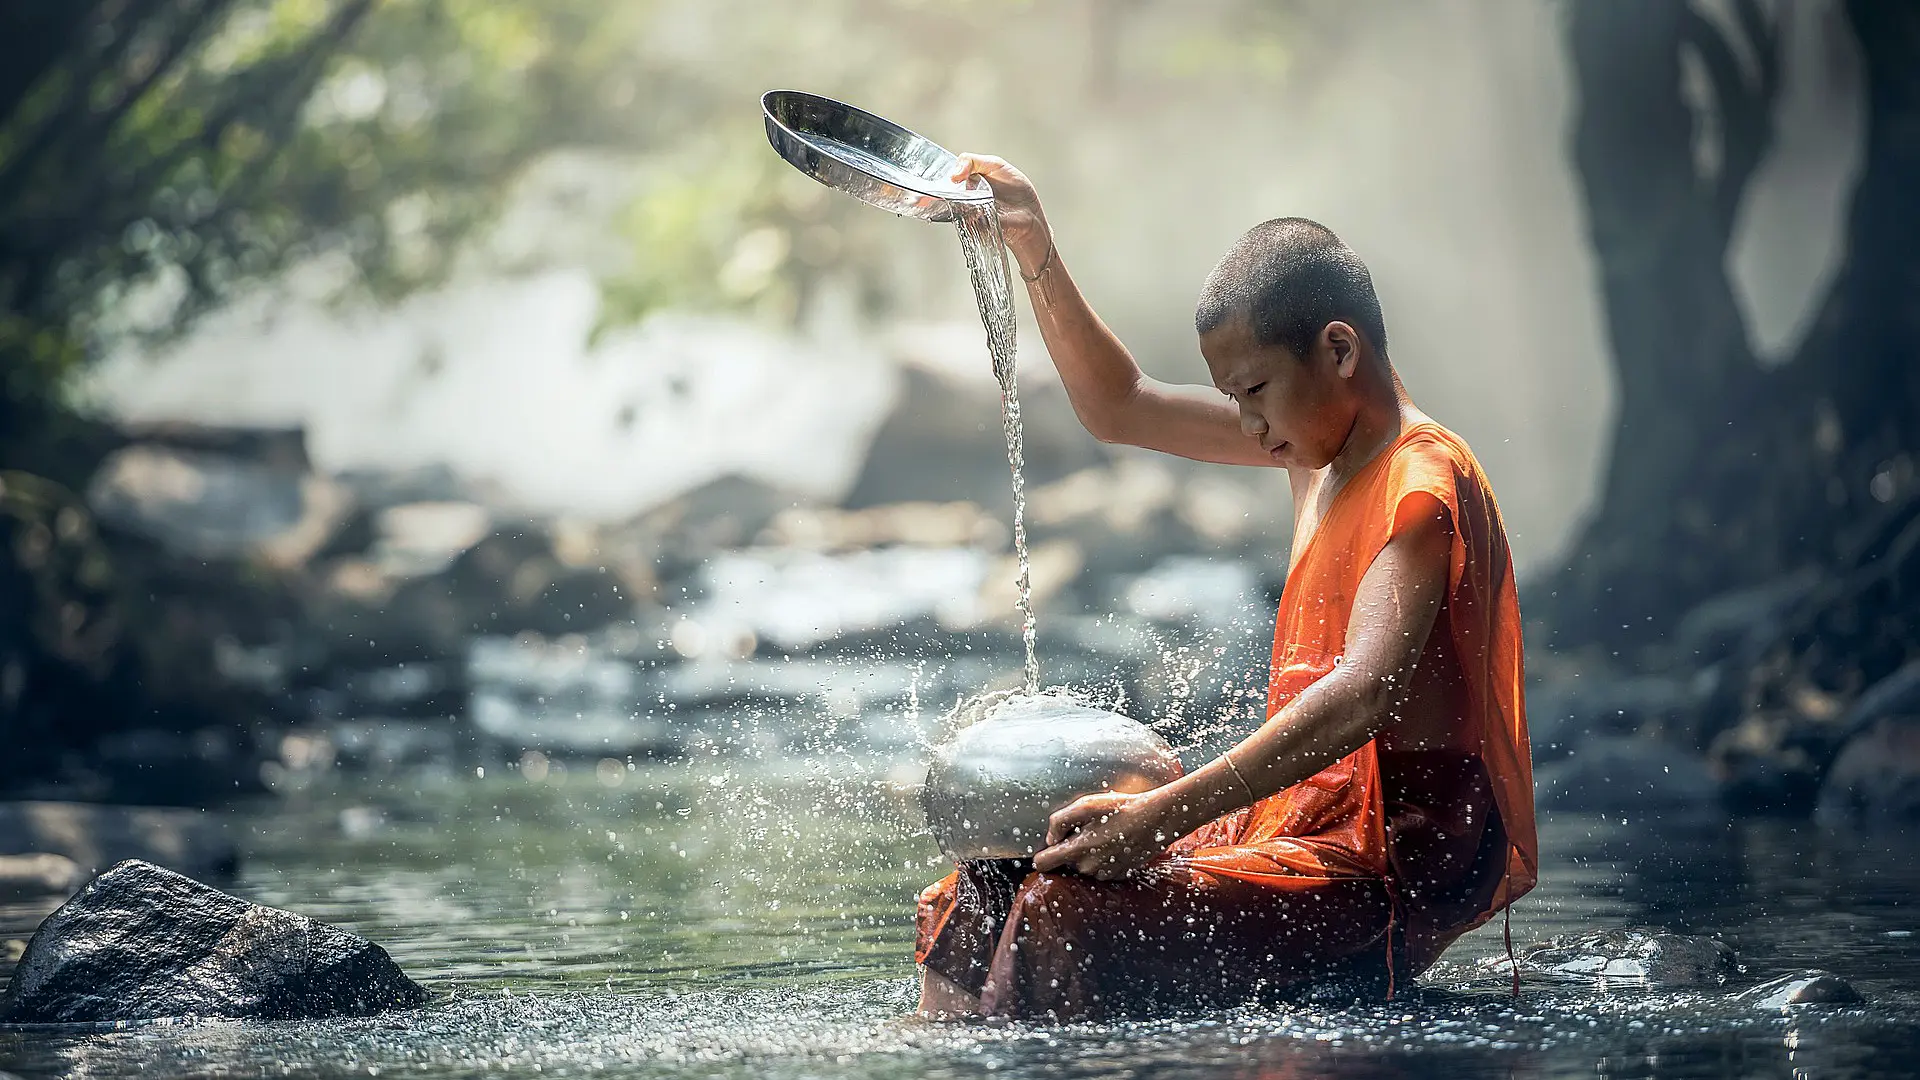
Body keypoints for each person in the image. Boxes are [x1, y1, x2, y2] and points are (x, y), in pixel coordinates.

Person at [914, 154, 1537, 1021]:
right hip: (1295, 826)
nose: (1247, 427)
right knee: (985, 883)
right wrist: (1032, 244)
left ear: (1339, 349)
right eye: (1231, 398)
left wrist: (1162, 816)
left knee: (1058, 910)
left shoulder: (1418, 482)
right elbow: (1121, 405)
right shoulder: (1313, 444)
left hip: (1385, 866)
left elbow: (1363, 694)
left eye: (1253, 392)